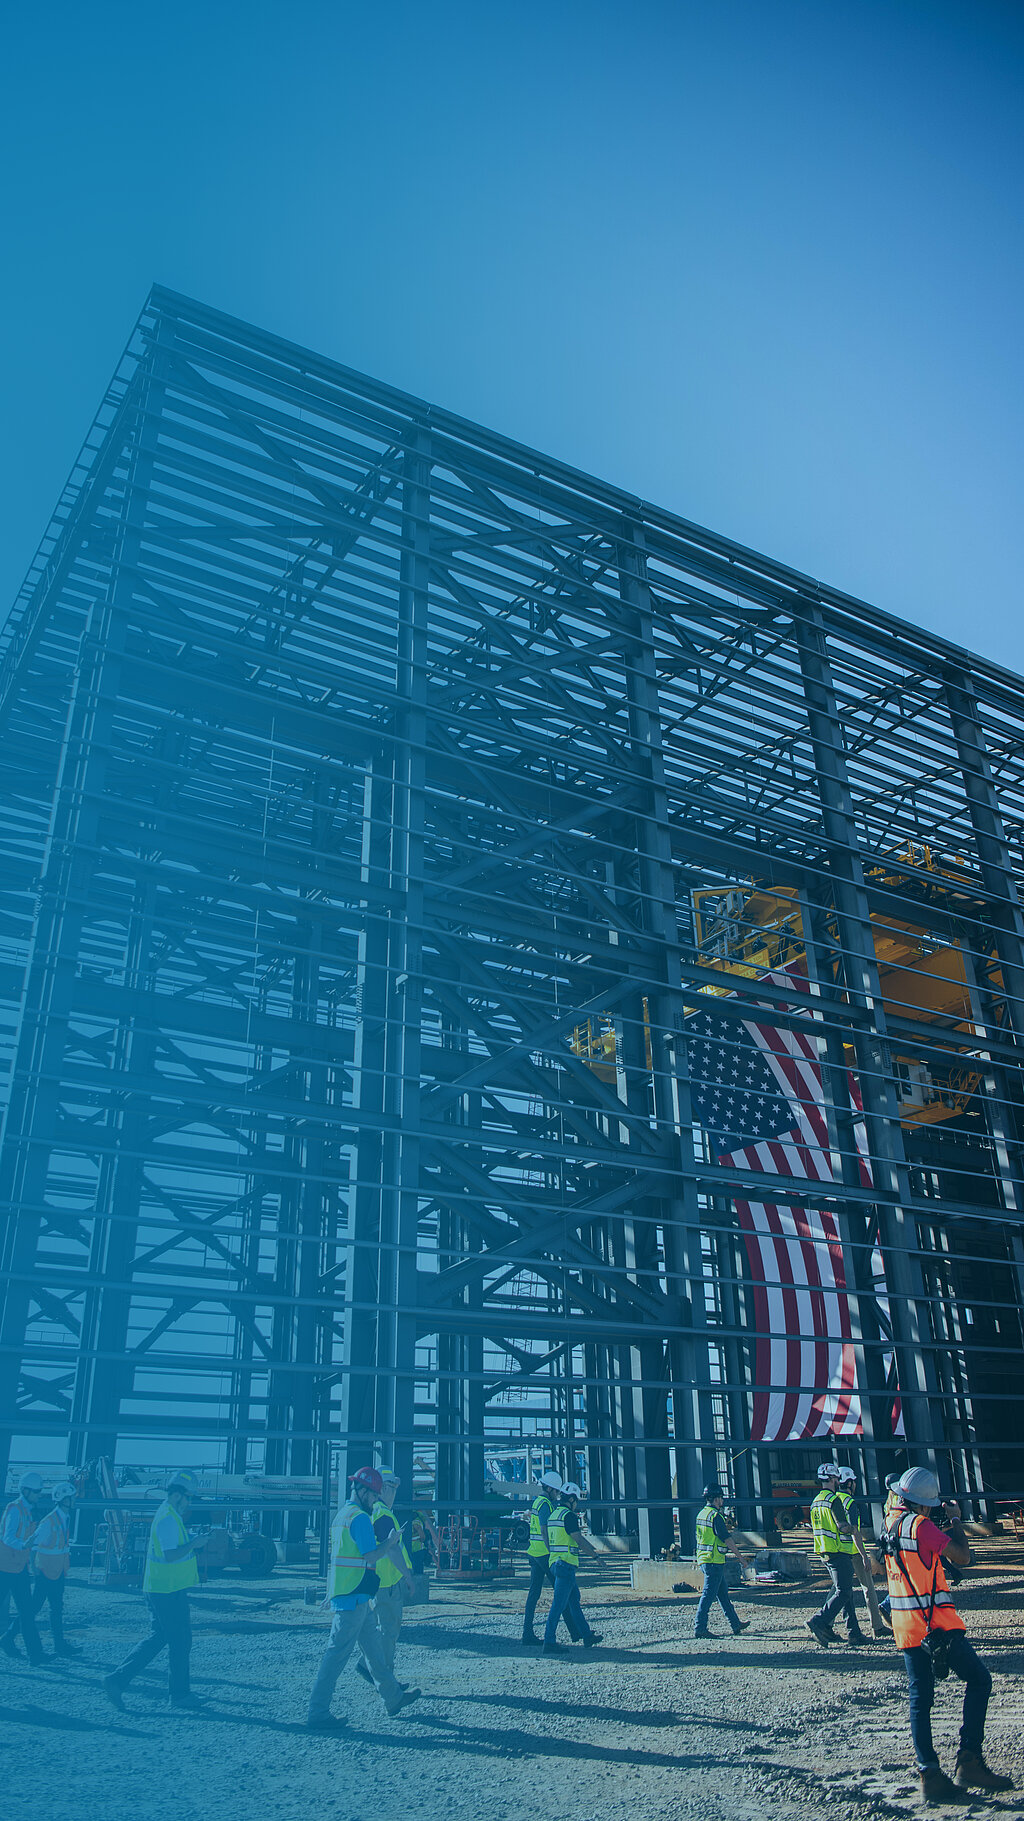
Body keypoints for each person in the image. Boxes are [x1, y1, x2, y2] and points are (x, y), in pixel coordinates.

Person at [883, 1466, 1012, 1804]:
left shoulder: (891, 1524)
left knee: (920, 1700)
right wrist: (955, 1521)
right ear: (926, 1504)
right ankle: (969, 1761)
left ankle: (929, 1775)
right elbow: (963, 1557)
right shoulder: (921, 1525)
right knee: (980, 1680)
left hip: (907, 1627)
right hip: (937, 1626)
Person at [306, 1466, 422, 1733]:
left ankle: (393, 1698)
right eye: (374, 1494)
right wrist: (391, 1543)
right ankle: (318, 1711)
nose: (375, 1499)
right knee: (335, 1657)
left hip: (356, 1597)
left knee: (376, 1654)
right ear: (363, 1491)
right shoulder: (359, 1518)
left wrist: (330, 1592)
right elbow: (371, 1556)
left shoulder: (341, 1516)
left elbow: (338, 1561)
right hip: (353, 1600)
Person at [103, 1469, 208, 1711]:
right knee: (180, 1641)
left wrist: (191, 1539)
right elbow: (171, 1555)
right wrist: (194, 1543)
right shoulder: (168, 1518)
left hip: (164, 1589)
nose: (190, 1502)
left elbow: (171, 1548)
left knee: (159, 1637)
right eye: (189, 1497)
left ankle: (116, 1681)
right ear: (178, 1494)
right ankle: (179, 1695)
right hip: (166, 1591)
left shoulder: (169, 1515)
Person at [2, 1479, 78, 1658]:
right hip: (44, 1572)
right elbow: (33, 1544)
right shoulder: (49, 1521)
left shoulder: (64, 1518)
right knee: (32, 1609)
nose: (74, 1500)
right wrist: (33, 1568)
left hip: (57, 1571)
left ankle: (59, 1645)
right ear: (63, 1499)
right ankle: (9, 1638)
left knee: (55, 1608)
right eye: (71, 1497)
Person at [355, 1469, 416, 1689]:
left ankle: (368, 1665)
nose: (394, 1493)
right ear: (385, 1488)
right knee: (388, 1631)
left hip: (380, 1581)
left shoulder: (376, 1511)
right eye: (393, 1488)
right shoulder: (382, 1513)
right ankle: (386, 1681)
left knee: (383, 1630)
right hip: (387, 1583)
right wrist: (408, 1576)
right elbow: (392, 1550)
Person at [806, 1461, 870, 1649]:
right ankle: (819, 1621)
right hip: (837, 1551)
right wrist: (853, 1530)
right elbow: (842, 1526)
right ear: (834, 1479)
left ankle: (854, 1632)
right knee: (844, 1592)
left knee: (844, 1591)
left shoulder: (816, 1501)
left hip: (823, 1551)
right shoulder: (833, 1500)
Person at [541, 1483, 603, 1656]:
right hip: (565, 1565)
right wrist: (596, 1557)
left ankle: (586, 1635)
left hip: (556, 1563)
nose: (577, 1504)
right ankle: (549, 1641)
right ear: (571, 1498)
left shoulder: (554, 1514)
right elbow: (578, 1540)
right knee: (558, 1605)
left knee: (574, 1600)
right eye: (576, 1500)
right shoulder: (569, 1516)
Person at [522, 1470, 581, 1646]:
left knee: (534, 1595)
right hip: (544, 1554)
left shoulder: (537, 1502)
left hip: (534, 1552)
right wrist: (552, 1553)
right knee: (564, 1592)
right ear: (548, 1488)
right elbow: (544, 1529)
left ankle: (527, 1633)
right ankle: (575, 1631)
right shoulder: (546, 1504)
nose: (557, 1495)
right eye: (556, 1491)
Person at [693, 1484, 752, 1639]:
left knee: (723, 1595)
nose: (723, 1500)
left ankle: (735, 1623)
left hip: (705, 1560)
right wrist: (741, 1559)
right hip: (714, 1561)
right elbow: (727, 1539)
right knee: (708, 1595)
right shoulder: (715, 1516)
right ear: (716, 1498)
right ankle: (700, 1627)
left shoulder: (701, 1514)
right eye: (721, 1497)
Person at [0, 1471, 46, 1665]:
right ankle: (12, 1644)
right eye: (36, 1491)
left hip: (19, 1569)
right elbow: (7, 1537)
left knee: (26, 1613)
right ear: (25, 1490)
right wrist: (24, 1544)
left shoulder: (28, 1512)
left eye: (40, 1492)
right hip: (3, 1569)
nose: (38, 1495)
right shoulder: (15, 1509)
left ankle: (36, 1655)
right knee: (26, 1612)